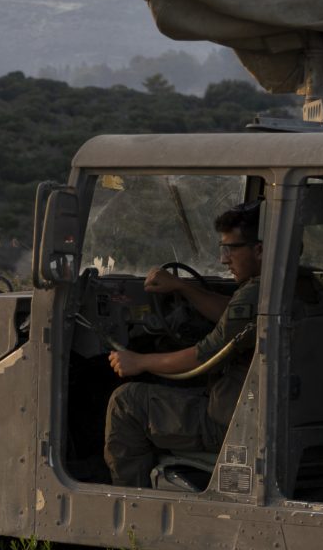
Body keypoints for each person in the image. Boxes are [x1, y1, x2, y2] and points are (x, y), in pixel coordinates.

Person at [103, 202, 266, 487]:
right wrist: (183, 287)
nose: (224, 260)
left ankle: (131, 516)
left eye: (231, 249)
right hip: (279, 415)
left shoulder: (257, 294)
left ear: (260, 250)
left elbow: (202, 356)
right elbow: (234, 314)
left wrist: (137, 361)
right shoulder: (299, 286)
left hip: (234, 423)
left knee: (126, 402)